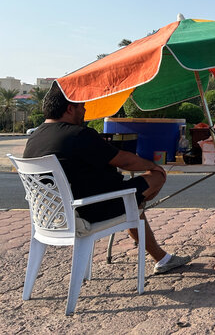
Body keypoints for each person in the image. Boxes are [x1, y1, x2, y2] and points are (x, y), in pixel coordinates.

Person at [23, 84, 190, 275]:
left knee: (131, 201)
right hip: (90, 210)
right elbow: (125, 161)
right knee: (155, 178)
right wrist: (153, 165)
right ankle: (146, 221)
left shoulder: (35, 137)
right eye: (81, 106)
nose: (85, 110)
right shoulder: (78, 135)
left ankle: (162, 257)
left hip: (52, 217)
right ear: (70, 108)